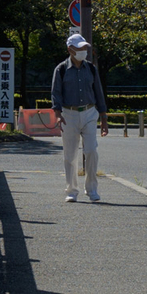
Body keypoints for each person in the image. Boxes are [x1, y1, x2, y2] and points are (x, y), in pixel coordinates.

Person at [50, 33, 106, 202]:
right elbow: (55, 93)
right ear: (70, 49)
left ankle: (92, 189)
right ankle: (71, 191)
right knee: (70, 154)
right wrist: (58, 115)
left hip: (89, 112)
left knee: (91, 151)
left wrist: (103, 118)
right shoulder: (60, 69)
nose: (83, 51)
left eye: (84, 48)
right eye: (80, 48)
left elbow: (99, 92)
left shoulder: (91, 68)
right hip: (69, 114)